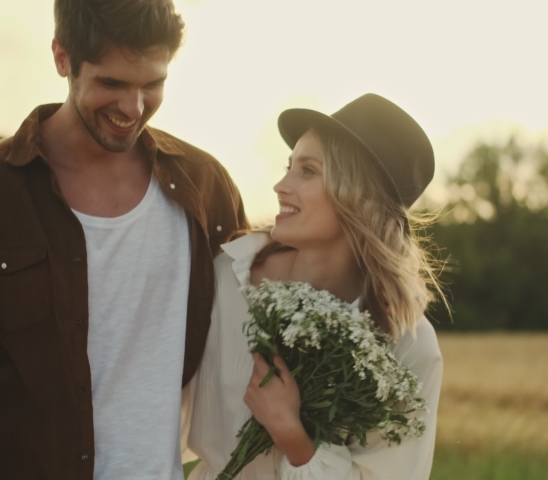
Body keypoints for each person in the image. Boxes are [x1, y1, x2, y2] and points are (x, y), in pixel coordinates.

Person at [0, 1, 247, 479]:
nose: (133, 109)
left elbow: (259, 315)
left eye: (152, 84)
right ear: (62, 58)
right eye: (112, 83)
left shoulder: (205, 188)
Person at [184, 93, 445, 479]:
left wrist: (293, 435)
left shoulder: (406, 342)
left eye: (307, 171)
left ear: (358, 195)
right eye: (289, 166)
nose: (280, 185)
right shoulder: (227, 276)